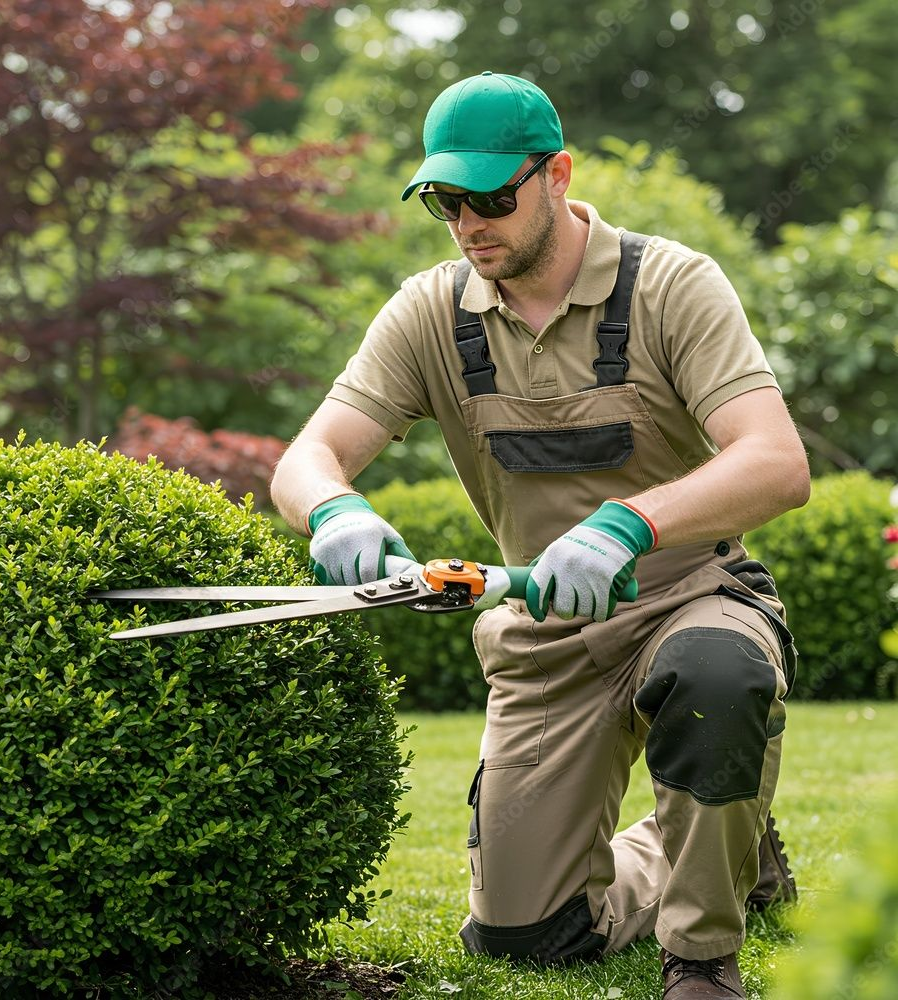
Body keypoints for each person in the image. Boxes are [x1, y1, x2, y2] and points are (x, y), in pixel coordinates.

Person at [270, 71, 809, 999]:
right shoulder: (430, 311)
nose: (468, 221)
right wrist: (334, 507)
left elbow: (775, 462)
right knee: (529, 939)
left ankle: (704, 958)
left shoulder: (672, 284)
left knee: (718, 675)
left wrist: (628, 524)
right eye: (445, 199)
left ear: (556, 175)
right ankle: (730, 841)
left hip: (688, 597)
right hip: (545, 637)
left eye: (491, 195)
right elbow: (308, 455)